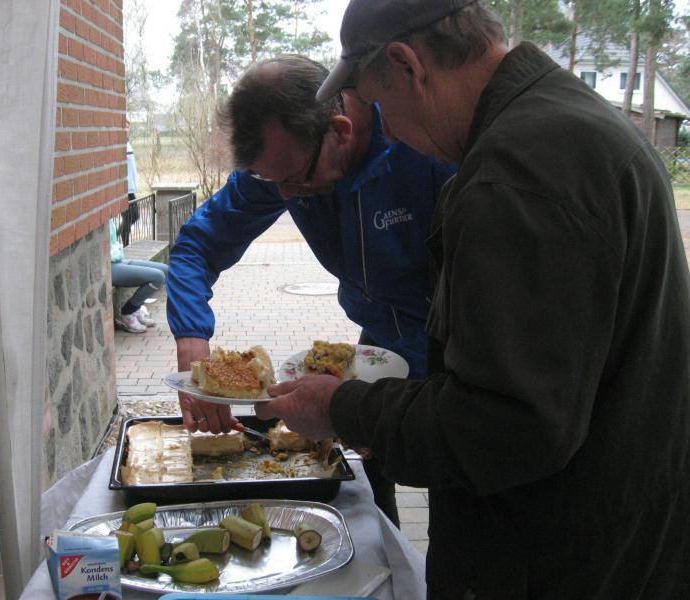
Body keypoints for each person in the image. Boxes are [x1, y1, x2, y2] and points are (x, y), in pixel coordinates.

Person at [256, 0, 690, 597]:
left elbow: (504, 427)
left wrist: (344, 409)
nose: (390, 132)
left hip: (562, 560)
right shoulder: (569, 120)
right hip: (625, 529)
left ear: (409, 66)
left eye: (380, 105)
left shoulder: (514, 174)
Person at [166, 54, 454, 527]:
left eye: (293, 180)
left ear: (340, 131)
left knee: (451, 488)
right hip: (379, 347)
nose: (283, 195)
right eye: (271, 181)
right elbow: (196, 247)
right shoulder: (287, 161)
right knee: (372, 478)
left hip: (451, 346)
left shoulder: (420, 150)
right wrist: (192, 341)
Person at [110, 219, 167, 333]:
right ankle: (127, 312)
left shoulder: (108, 216)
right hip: (108, 266)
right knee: (158, 277)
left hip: (118, 259)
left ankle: (136, 308)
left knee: (166, 270)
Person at [119, 119, 140, 247]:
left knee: (135, 216)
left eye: (128, 127)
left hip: (130, 188)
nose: (127, 129)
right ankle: (125, 245)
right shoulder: (120, 145)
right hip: (124, 189)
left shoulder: (127, 143)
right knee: (130, 217)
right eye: (124, 126)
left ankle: (119, 234)